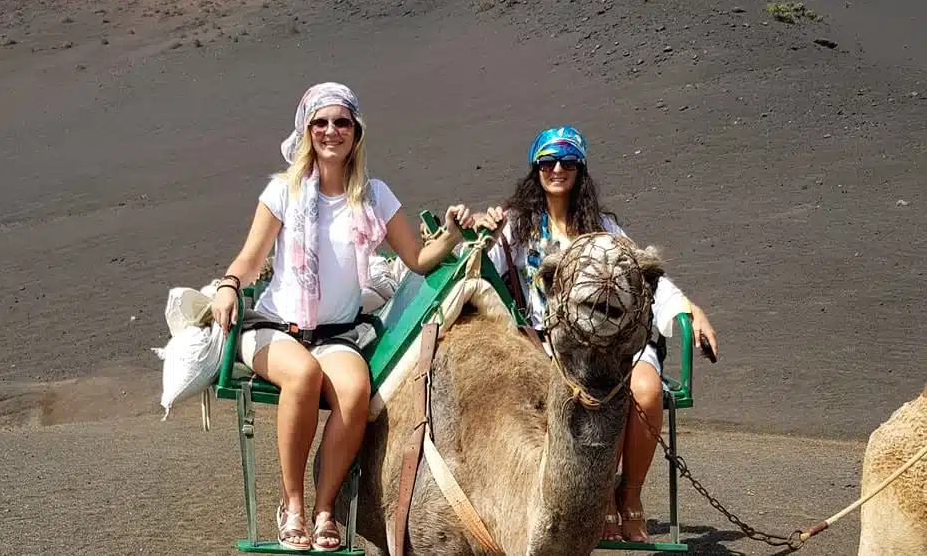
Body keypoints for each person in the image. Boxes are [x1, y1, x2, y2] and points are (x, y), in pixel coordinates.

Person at [210, 82, 474, 551]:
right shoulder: (283, 191)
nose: (331, 131)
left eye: (341, 122)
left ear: (356, 132)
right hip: (274, 328)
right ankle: (291, 506)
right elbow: (250, 259)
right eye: (321, 122)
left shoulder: (374, 195)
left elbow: (415, 257)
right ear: (307, 130)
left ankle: (324, 508)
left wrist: (452, 237)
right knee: (304, 375)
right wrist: (230, 284)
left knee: (355, 392)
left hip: (337, 333)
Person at [474, 125, 719, 543]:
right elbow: (480, 267)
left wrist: (688, 310)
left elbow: (644, 280)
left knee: (645, 390)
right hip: (550, 346)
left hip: (615, 338)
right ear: (535, 169)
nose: (557, 169)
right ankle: (593, 496)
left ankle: (629, 496)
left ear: (580, 168)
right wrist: (477, 230)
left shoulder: (603, 228)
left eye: (567, 161)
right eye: (547, 162)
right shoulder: (516, 228)